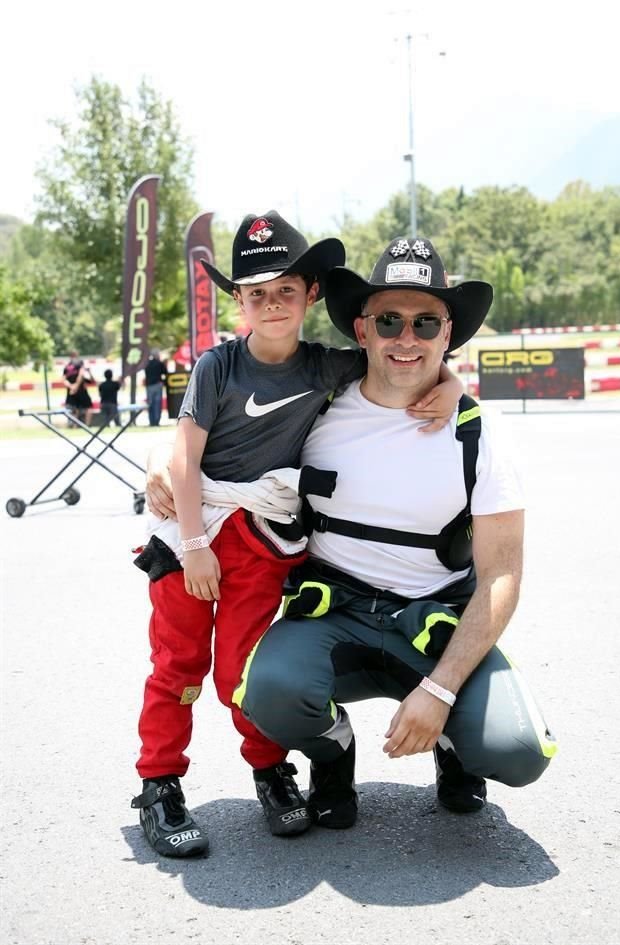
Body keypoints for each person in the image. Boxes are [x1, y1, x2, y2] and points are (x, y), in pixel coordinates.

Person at [132, 213, 464, 859]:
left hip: (264, 541)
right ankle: (159, 784)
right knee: (179, 663)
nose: (272, 303)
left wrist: (449, 382)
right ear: (238, 300)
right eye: (256, 292)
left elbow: (398, 364)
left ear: (312, 293)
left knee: (243, 670)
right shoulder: (216, 365)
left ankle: (269, 769)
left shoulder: (325, 366)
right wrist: (196, 544)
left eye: (286, 289)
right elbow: (182, 457)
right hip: (192, 532)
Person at [228, 236, 557, 831]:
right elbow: (221, 429)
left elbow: (503, 575)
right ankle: (332, 751)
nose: (407, 338)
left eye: (426, 322)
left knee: (517, 752)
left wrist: (442, 691)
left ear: (448, 333)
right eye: (390, 321)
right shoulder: (317, 408)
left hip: (435, 623)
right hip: (334, 613)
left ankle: (456, 745)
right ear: (362, 330)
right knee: (268, 692)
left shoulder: (482, 434)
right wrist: (158, 461)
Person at [62, 352, 94, 426]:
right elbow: (81, 374)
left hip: (71, 392)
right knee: (88, 408)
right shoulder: (80, 363)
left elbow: (63, 379)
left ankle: (75, 426)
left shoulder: (67, 366)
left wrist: (71, 387)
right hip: (81, 390)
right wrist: (76, 386)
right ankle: (87, 425)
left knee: (74, 409)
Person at [144, 349, 168, 426]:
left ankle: (151, 421)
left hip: (149, 386)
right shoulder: (159, 363)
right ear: (157, 355)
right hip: (158, 385)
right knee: (157, 403)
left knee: (150, 404)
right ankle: (157, 421)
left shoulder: (147, 364)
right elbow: (165, 372)